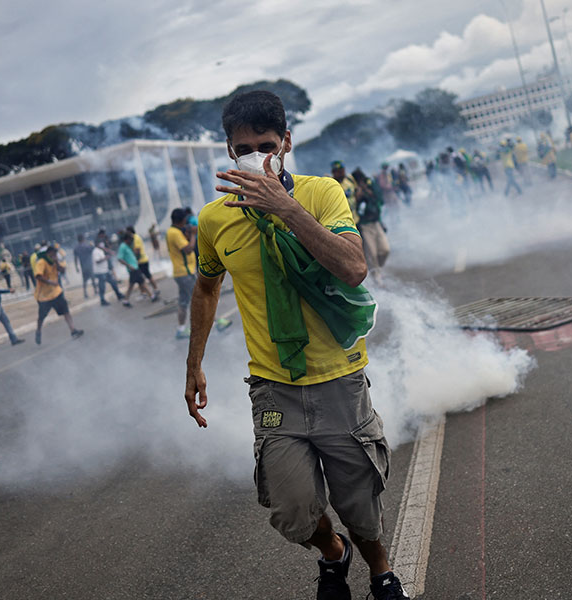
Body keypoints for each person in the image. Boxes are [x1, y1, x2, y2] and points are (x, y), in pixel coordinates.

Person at [186, 90, 407, 600]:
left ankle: (380, 573)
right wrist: (194, 364)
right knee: (290, 509)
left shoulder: (322, 193)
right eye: (244, 148)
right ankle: (334, 555)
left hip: (340, 381)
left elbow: (353, 268)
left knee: (360, 508)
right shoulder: (215, 221)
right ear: (228, 152)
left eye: (266, 144)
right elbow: (206, 286)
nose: (255, 155)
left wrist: (284, 208)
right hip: (273, 387)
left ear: (286, 143)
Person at [33, 245, 83, 345]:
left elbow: (63, 270)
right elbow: (38, 276)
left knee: (66, 311)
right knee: (41, 317)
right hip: (44, 296)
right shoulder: (41, 262)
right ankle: (38, 331)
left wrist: (56, 262)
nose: (55, 255)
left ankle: (73, 330)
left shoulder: (55, 262)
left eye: (55, 253)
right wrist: (51, 282)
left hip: (56, 292)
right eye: (53, 253)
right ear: (48, 253)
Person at [351, 168, 391, 286]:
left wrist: (367, 190)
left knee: (385, 250)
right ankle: (376, 277)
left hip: (376, 222)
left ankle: (378, 269)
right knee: (371, 253)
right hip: (364, 225)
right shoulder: (353, 190)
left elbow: (379, 200)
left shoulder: (370, 185)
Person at [167, 208, 197, 339]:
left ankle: (180, 329)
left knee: (184, 302)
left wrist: (188, 234)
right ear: (181, 220)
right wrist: (194, 235)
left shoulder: (172, 231)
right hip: (185, 273)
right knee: (199, 300)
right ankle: (212, 325)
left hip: (181, 273)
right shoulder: (174, 233)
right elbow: (189, 250)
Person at [117, 231, 152, 307]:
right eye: (130, 239)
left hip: (135, 267)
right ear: (127, 239)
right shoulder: (122, 246)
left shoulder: (127, 246)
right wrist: (129, 266)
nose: (131, 241)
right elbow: (119, 259)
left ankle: (126, 300)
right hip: (133, 269)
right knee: (141, 282)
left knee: (134, 284)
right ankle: (151, 296)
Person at [127, 226, 160, 301]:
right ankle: (145, 292)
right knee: (142, 278)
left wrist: (132, 254)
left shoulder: (135, 238)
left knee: (146, 276)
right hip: (141, 260)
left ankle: (154, 289)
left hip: (141, 261)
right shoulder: (135, 237)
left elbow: (137, 250)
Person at [92, 240, 123, 306]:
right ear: (97, 244)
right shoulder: (95, 251)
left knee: (113, 282)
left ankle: (118, 294)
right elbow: (97, 261)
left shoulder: (100, 250)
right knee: (102, 286)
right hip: (100, 272)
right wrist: (106, 258)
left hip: (105, 271)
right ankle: (102, 300)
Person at [73, 234, 94, 299]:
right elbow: (93, 250)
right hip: (89, 265)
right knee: (92, 278)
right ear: (83, 239)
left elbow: (75, 258)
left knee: (85, 281)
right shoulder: (87, 246)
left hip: (83, 266)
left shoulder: (76, 248)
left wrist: (76, 267)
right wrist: (91, 244)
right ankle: (96, 290)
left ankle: (85, 293)